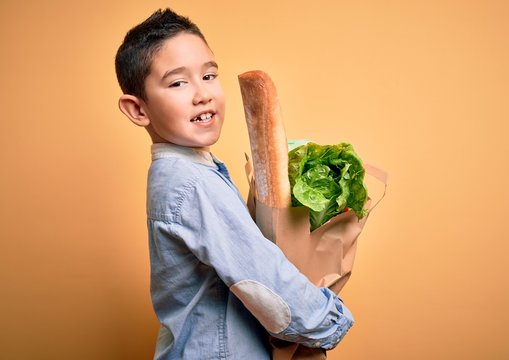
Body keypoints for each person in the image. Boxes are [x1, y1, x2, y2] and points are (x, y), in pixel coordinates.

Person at [115, 8, 354, 359]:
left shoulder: (182, 173)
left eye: (209, 75)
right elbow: (262, 279)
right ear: (138, 110)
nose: (202, 94)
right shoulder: (194, 183)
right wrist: (331, 320)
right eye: (178, 83)